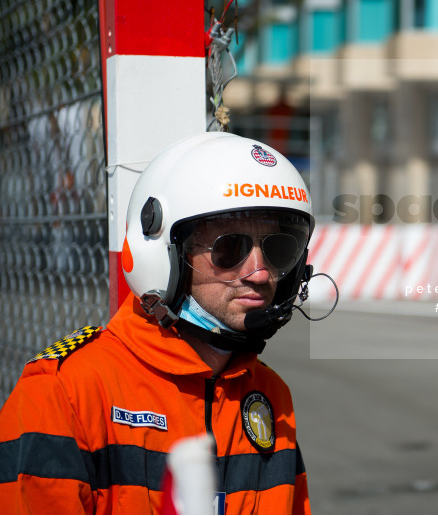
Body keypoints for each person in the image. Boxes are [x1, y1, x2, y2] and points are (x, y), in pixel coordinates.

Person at [0, 132, 314, 514]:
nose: (260, 275)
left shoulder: (271, 395)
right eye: (230, 249)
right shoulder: (63, 393)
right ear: (163, 253)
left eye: (280, 249)